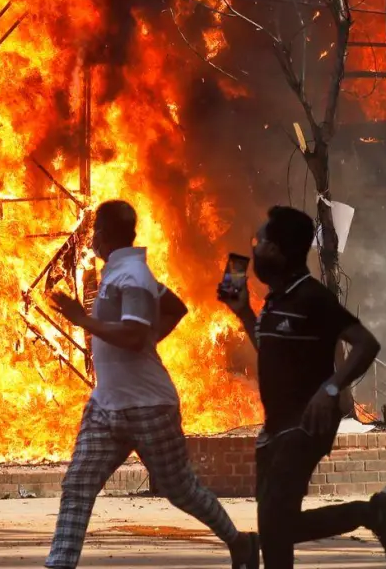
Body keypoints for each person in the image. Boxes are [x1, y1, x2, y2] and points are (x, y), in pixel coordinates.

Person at [46, 200, 259, 569]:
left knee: (181, 491)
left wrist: (84, 320)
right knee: (78, 486)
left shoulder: (132, 277)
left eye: (95, 229)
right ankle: (59, 564)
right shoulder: (122, 271)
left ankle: (240, 542)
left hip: (149, 406)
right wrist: (150, 339)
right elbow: (175, 307)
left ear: (105, 234)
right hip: (107, 405)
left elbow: (132, 335)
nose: (91, 236)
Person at [217, 205, 386, 566]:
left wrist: (331, 388)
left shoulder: (313, 298)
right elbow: (271, 350)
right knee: (276, 530)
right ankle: (373, 513)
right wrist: (243, 313)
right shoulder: (275, 300)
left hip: (306, 423)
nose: (253, 250)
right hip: (275, 428)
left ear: (278, 251)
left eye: (260, 242)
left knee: (274, 524)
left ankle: (372, 513)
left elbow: (366, 344)